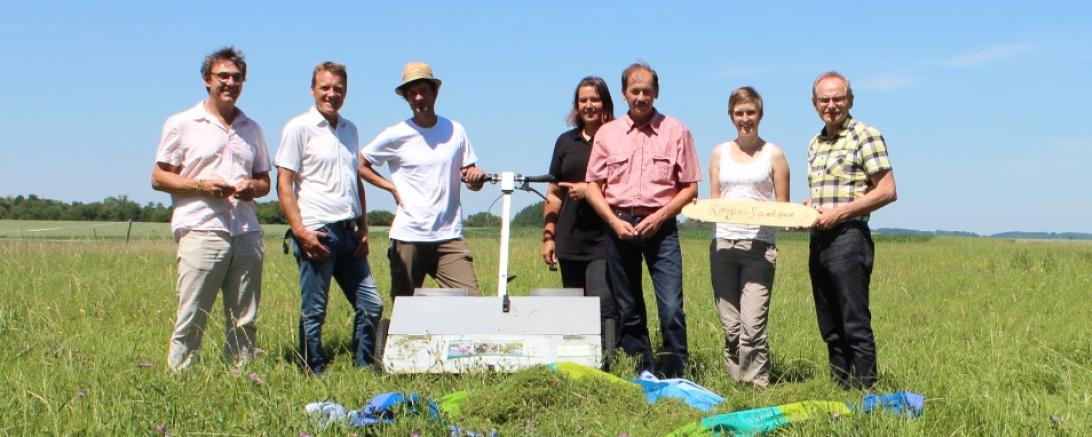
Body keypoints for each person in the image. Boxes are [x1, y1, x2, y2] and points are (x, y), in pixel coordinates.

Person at [151, 47, 270, 371]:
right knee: (192, 315)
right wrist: (202, 186)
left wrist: (251, 187)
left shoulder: (252, 129)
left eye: (236, 77)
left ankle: (241, 379)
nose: (230, 82)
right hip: (202, 228)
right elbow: (159, 177)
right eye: (223, 76)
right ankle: (180, 382)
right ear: (207, 80)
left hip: (245, 231)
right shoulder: (183, 123)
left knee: (244, 318)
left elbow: (264, 182)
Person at [584, 62, 701, 378]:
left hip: (661, 229)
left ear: (657, 93)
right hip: (619, 226)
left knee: (672, 309)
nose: (641, 97)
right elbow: (593, 186)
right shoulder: (608, 135)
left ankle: (675, 373)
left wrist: (660, 216)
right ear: (624, 94)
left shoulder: (677, 131)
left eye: (647, 91)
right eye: (635, 91)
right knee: (629, 308)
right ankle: (643, 372)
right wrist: (612, 221)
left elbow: (690, 187)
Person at [275, 62, 383, 375]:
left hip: (350, 232)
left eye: (338, 88)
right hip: (317, 231)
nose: (331, 94)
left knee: (371, 305)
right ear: (313, 90)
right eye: (325, 88)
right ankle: (313, 370)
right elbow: (284, 183)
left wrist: (364, 228)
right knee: (314, 311)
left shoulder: (350, 129)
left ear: (345, 92)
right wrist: (300, 231)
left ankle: (363, 366)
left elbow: (356, 181)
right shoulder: (298, 128)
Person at [359, 62, 487, 298]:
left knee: (472, 301)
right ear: (407, 98)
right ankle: (401, 337)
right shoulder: (396, 134)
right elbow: (360, 164)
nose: (419, 98)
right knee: (404, 308)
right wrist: (390, 187)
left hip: (448, 235)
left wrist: (475, 179)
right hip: (409, 235)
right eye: (412, 93)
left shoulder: (455, 130)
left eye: (423, 91)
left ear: (434, 93)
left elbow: (471, 178)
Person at [806, 71, 897, 389]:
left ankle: (864, 392)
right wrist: (807, 210)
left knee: (853, 321)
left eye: (838, 98)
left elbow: (887, 190)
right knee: (829, 324)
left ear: (850, 100)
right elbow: (824, 196)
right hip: (819, 240)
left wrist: (840, 213)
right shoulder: (815, 143)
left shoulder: (865, 135)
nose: (831, 105)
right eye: (824, 99)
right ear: (814, 103)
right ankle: (841, 388)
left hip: (849, 238)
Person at [707, 86, 790, 388]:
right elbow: (715, 199)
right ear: (731, 116)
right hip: (723, 245)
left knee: (752, 327)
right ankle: (735, 386)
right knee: (731, 326)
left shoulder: (774, 154)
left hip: (758, 247)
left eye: (750, 112)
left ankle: (757, 387)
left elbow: (783, 205)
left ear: (760, 114)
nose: (745, 119)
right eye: (739, 113)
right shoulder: (718, 152)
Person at [541, 76, 620, 363]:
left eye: (595, 99)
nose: (589, 105)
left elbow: (626, 187)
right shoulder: (565, 142)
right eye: (583, 100)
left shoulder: (617, 138)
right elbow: (554, 193)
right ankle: (578, 359)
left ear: (605, 104)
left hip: (604, 237)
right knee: (574, 305)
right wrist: (548, 235)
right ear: (577, 106)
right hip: (569, 238)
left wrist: (590, 191)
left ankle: (610, 361)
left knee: (603, 301)